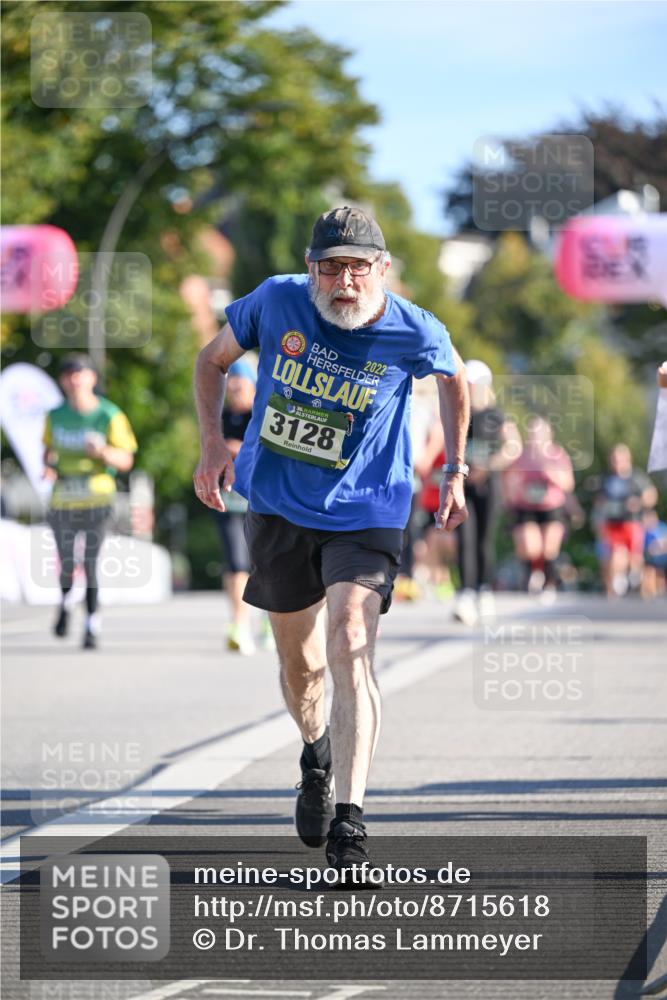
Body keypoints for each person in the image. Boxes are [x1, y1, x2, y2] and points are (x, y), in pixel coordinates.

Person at [193, 206, 469, 882]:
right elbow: (210, 360)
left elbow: (455, 379)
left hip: (368, 508)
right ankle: (315, 754)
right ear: (311, 267)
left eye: (358, 267)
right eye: (331, 266)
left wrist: (453, 467)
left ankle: (351, 821)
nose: (344, 280)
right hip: (280, 506)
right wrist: (209, 445)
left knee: (350, 638)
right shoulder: (275, 300)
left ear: (380, 270)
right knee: (300, 664)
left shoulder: (413, 327)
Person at [43, 354, 137, 649]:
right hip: (64, 500)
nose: (74, 380)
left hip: (98, 497)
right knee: (67, 562)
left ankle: (91, 624)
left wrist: (103, 453)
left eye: (79, 374)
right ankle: (65, 602)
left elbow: (126, 460)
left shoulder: (109, 415)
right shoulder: (54, 416)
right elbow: (46, 451)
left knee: (91, 562)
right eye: (68, 374)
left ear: (92, 379)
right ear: (62, 381)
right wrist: (48, 466)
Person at [452, 360, 521, 625]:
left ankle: (483, 590)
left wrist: (489, 466)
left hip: (488, 484)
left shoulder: (495, 414)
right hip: (463, 483)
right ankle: (466, 593)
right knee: (464, 539)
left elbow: (513, 446)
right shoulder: (458, 410)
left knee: (484, 540)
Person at [212, 358, 259, 654]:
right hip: (228, 497)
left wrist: (238, 448)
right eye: (232, 387)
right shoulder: (220, 416)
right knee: (235, 562)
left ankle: (269, 617)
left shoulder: (262, 414)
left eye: (242, 386)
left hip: (260, 498)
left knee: (262, 563)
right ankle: (240, 623)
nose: (236, 392)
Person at [503, 415, 575, 597]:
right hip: (526, 506)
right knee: (530, 546)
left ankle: (549, 583)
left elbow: (568, 483)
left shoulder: (557, 454)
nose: (535, 437)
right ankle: (532, 576)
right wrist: (511, 494)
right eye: (532, 433)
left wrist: (551, 473)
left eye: (538, 433)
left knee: (549, 548)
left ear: (548, 434)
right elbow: (508, 477)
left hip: (551, 506)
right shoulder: (522, 456)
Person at [594, 443, 658, 598]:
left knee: (634, 558)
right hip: (612, 524)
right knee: (615, 553)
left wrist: (638, 503)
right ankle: (615, 584)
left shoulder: (636, 477)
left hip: (632, 523)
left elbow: (651, 495)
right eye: (614, 459)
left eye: (620, 458)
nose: (617, 462)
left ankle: (636, 579)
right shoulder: (606, 479)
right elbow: (598, 500)